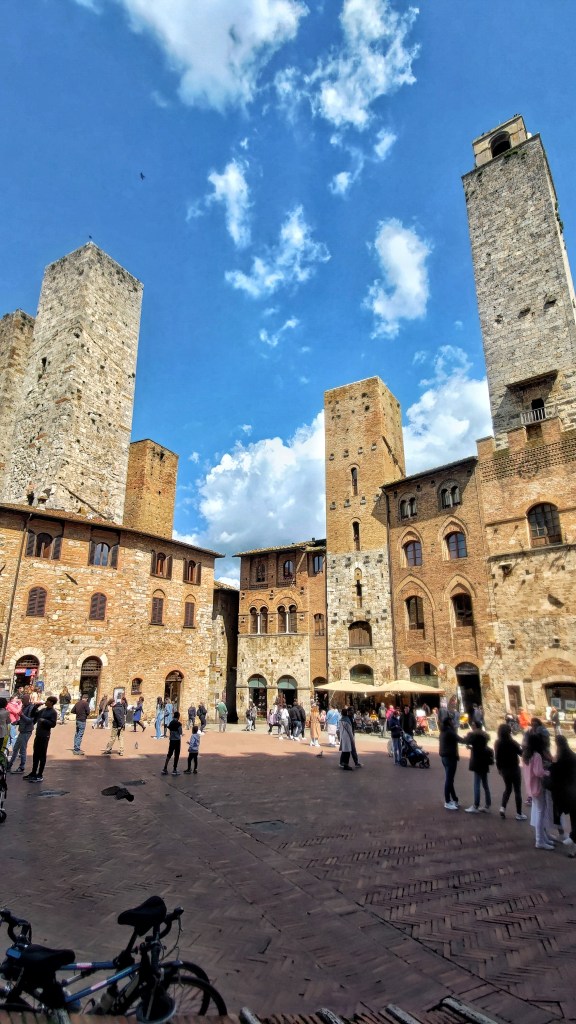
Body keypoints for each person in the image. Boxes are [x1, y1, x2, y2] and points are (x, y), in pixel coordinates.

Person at [522, 729, 556, 849]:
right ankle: (539, 840)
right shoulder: (536, 756)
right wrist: (547, 772)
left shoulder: (526, 755)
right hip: (538, 786)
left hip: (531, 787)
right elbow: (538, 772)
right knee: (541, 813)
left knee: (540, 811)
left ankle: (542, 837)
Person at [547, 735, 576, 857]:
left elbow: (555, 775)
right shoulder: (572, 755)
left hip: (569, 793)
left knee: (574, 820)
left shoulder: (562, 759)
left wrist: (551, 765)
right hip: (572, 791)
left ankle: (573, 838)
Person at [495, 722, 527, 820]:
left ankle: (502, 808)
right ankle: (519, 813)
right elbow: (522, 754)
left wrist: (499, 769)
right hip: (514, 768)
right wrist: (524, 747)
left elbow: (497, 757)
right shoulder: (513, 743)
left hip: (504, 769)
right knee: (517, 791)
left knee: (508, 789)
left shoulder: (498, 742)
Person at [24, 696, 58, 782]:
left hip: (44, 735)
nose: (46, 702)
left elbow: (53, 724)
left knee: (42, 755)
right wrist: (36, 707)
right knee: (36, 754)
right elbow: (33, 715)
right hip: (38, 734)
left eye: (47, 701)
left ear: (51, 702)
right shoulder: (43, 710)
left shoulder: (53, 712)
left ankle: (40, 774)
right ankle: (33, 772)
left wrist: (44, 721)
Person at [464, 720, 493, 812]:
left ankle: (476, 805)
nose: (472, 726)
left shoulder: (474, 735)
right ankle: (487, 805)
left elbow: (467, 740)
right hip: (484, 760)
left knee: (476, 784)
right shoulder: (484, 735)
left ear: (475, 726)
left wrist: (470, 744)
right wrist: (472, 747)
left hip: (477, 761)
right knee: (485, 784)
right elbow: (480, 746)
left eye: (473, 724)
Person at [439, 716, 467, 809]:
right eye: (452, 721)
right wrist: (470, 738)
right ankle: (447, 801)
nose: (453, 722)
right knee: (449, 780)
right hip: (450, 757)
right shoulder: (450, 732)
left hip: (444, 757)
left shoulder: (443, 731)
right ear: (449, 722)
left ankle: (454, 799)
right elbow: (461, 740)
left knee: (450, 779)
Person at [8, 694, 36, 774]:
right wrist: (17, 722)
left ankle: (21, 767)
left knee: (22, 750)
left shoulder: (31, 708)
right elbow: (23, 720)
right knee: (15, 748)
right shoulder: (24, 706)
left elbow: (30, 721)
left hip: (27, 731)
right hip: (22, 730)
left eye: (23, 699)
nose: (22, 701)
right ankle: (10, 765)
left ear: (28, 699)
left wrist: (22, 715)